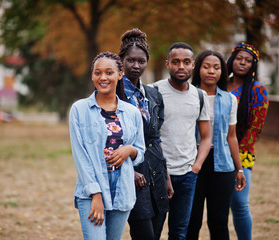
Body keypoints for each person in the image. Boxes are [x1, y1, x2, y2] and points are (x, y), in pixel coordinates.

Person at [69, 51, 145, 240]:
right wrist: (96, 194)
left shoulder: (132, 112)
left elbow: (141, 151)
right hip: (91, 191)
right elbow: (80, 156)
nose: (103, 77)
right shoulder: (79, 110)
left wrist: (131, 149)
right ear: (92, 75)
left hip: (123, 191)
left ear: (120, 75)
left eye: (109, 72)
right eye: (97, 72)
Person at [118, 28, 173, 240]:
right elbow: (110, 139)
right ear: (121, 60)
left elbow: (156, 138)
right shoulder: (114, 95)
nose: (136, 66)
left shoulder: (153, 95)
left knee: (157, 232)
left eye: (141, 61)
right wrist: (128, 172)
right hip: (132, 174)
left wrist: (166, 176)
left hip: (156, 171)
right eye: (130, 60)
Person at [153, 42, 211, 239]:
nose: (181, 66)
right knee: (153, 231)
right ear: (168, 64)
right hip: (159, 173)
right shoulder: (153, 91)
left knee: (179, 233)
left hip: (187, 175)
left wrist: (196, 166)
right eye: (176, 62)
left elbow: (206, 136)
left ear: (193, 65)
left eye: (186, 62)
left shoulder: (200, 96)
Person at [186, 50, 246, 240]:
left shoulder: (230, 99)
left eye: (216, 67)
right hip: (192, 163)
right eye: (206, 66)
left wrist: (239, 169)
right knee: (191, 220)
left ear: (222, 71)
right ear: (198, 69)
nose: (211, 71)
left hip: (222, 166)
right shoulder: (188, 96)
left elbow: (232, 137)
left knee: (218, 220)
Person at [227, 42, 269, 240]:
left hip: (241, 154)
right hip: (212, 152)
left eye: (248, 60)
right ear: (231, 60)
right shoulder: (219, 84)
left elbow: (255, 129)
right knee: (217, 208)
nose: (242, 63)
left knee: (240, 204)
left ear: (254, 65)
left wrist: (237, 159)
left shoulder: (257, 90)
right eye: (238, 58)